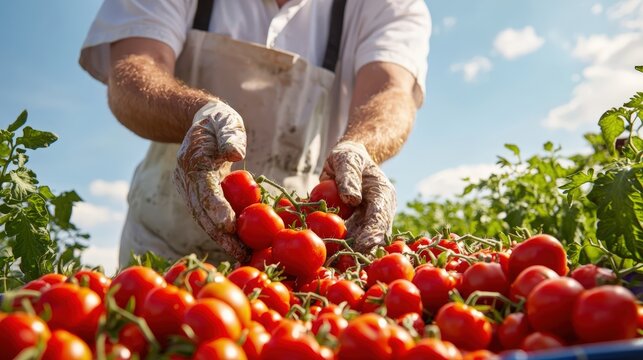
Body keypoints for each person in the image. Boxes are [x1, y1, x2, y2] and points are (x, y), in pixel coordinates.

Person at [79, 0, 431, 266]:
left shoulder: (386, 5)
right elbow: (133, 72)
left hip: (288, 256)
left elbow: (391, 91)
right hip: (160, 247)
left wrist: (360, 146)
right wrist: (199, 113)